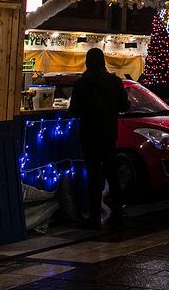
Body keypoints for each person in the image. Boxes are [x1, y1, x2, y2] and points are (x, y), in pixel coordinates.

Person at [70, 47, 129, 227]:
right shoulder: (114, 82)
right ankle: (118, 211)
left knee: (94, 175)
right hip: (109, 133)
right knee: (111, 172)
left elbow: (74, 110)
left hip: (89, 134)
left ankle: (94, 215)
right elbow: (124, 105)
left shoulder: (82, 83)